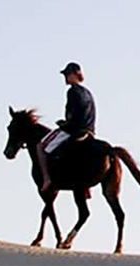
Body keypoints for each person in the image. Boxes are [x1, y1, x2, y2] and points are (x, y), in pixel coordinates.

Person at [37, 62, 97, 191]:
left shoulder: (72, 91)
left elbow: (72, 114)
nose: (65, 77)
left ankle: (47, 179)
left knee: (40, 146)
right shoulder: (88, 92)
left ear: (75, 74)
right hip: (90, 131)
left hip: (74, 130)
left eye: (67, 74)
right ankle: (85, 188)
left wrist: (64, 124)